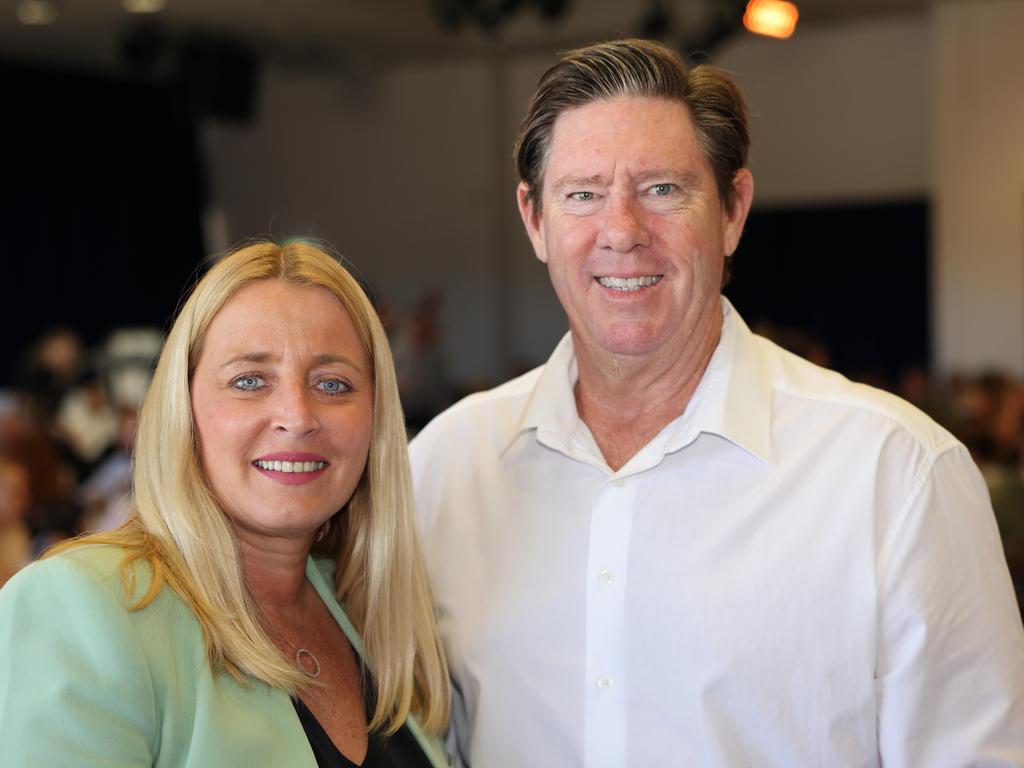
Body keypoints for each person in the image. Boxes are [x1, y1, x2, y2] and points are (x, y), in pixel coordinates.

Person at [409, 39, 1024, 767]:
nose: (622, 231)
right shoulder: (443, 470)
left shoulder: (895, 474)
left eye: (663, 189)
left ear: (733, 211)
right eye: (582, 194)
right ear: (535, 221)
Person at [0, 240, 450, 767]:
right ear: (183, 409)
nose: (297, 415)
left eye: (333, 383)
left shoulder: (363, 611)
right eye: (249, 380)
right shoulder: (81, 605)